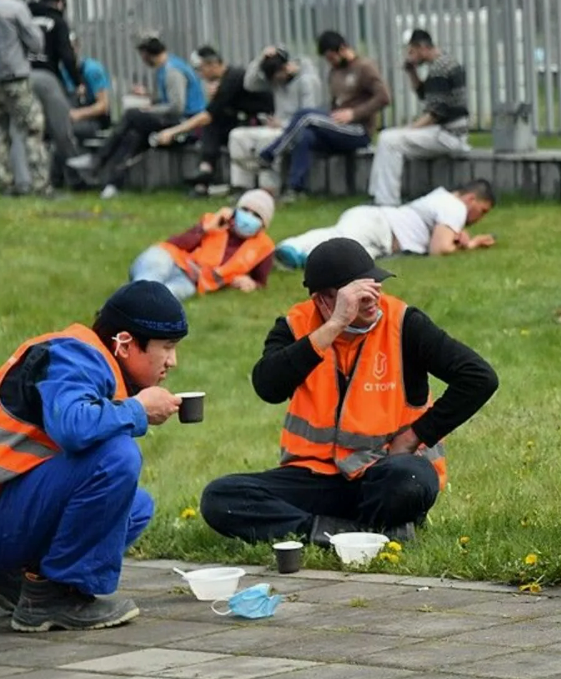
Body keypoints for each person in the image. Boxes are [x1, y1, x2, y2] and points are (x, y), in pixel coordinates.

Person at [199, 238, 498, 544]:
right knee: (221, 497)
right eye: (356, 293)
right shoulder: (296, 326)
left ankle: (352, 529)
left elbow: (479, 377)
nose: (371, 298)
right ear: (322, 301)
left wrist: (412, 438)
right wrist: (335, 325)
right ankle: (330, 532)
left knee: (410, 480)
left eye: (374, 285)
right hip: (315, 477)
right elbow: (268, 387)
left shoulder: (404, 323)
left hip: (384, 472)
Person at [0, 281, 188, 631]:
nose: (172, 361)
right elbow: (73, 427)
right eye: (168, 347)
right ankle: (51, 599)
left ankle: (24, 582)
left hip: (11, 506)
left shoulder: (91, 359)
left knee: (134, 507)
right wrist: (136, 410)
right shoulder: (73, 355)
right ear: (126, 343)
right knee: (115, 457)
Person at [67, 35, 205, 199]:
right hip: (178, 120)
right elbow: (169, 100)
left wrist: (149, 110)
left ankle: (98, 160)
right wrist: (149, 96)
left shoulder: (172, 71)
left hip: (186, 125)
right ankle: (112, 185)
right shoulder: (166, 67)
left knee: (132, 115)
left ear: (147, 54)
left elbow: (177, 107)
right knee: (133, 135)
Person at [258, 31, 390, 201]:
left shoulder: (364, 67)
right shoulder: (334, 72)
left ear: (342, 49)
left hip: (358, 130)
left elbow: (384, 97)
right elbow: (336, 104)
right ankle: (295, 189)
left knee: (305, 116)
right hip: (337, 127)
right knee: (303, 135)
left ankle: (269, 154)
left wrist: (354, 113)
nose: (330, 62)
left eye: (332, 58)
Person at [274, 179, 496, 269]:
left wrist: (458, 238)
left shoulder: (444, 199)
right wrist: (470, 245)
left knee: (349, 262)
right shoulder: (455, 207)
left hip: (384, 239)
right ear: (470, 199)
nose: (480, 218)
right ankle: (290, 246)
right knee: (342, 240)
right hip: (380, 225)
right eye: (482, 210)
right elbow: (439, 249)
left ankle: (307, 260)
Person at [368, 29, 471, 207]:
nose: (409, 55)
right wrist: (412, 72)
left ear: (422, 47)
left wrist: (408, 130)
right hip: (448, 131)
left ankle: (386, 201)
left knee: (390, 140)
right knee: (388, 137)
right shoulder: (442, 64)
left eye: (411, 51)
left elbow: (435, 113)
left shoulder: (440, 68)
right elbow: (426, 95)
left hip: (449, 135)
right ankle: (378, 196)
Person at [153, 46, 274, 196]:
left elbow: (207, 115)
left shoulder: (233, 79)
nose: (200, 75)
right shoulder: (226, 80)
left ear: (213, 64)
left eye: (200, 69)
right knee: (214, 123)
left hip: (262, 123)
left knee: (210, 122)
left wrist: (172, 132)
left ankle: (207, 171)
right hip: (244, 122)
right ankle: (205, 172)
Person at [128, 189, 276, 301]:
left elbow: (260, 281)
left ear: (263, 225)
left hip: (191, 281)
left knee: (163, 299)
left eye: (256, 215)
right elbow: (176, 243)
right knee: (151, 279)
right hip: (170, 259)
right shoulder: (215, 221)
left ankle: (127, 307)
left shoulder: (264, 247)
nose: (248, 217)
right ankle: (129, 303)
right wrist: (205, 229)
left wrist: (251, 284)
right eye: (245, 210)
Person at [231, 45, 322, 195]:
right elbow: (249, 84)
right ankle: (241, 186)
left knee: (267, 140)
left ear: (286, 68)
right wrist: (261, 57)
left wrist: (284, 124)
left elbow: (310, 116)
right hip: (275, 126)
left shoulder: (307, 81)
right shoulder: (276, 78)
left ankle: (269, 189)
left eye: (277, 77)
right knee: (237, 136)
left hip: (293, 129)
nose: (275, 83)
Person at [0, 0, 50, 197]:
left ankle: (4, 184)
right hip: (15, 78)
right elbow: (36, 43)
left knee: (0, 133)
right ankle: (40, 185)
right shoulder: (16, 7)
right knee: (33, 127)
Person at [28, 0, 79, 185]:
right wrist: (78, 82)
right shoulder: (57, 21)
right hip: (47, 78)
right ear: (59, 3)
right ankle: (76, 178)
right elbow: (67, 55)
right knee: (62, 130)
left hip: (20, 77)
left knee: (25, 131)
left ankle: (26, 180)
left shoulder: (24, 15)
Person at [61, 33, 111, 140]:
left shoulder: (92, 70)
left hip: (92, 120)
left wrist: (78, 114)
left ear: (77, 48)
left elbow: (103, 105)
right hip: (68, 118)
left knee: (67, 131)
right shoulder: (61, 71)